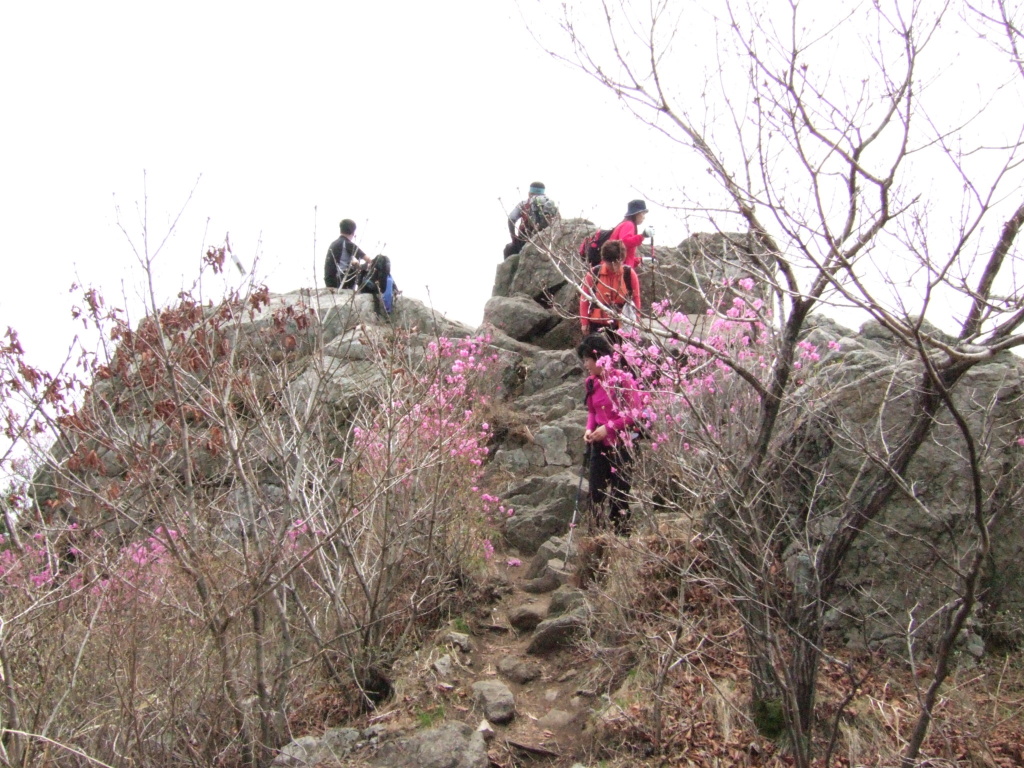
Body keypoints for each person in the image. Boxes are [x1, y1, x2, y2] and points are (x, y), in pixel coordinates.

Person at [579, 333, 638, 535]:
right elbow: (592, 412)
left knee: (619, 497)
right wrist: (589, 429)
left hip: (623, 446)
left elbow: (632, 415)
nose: (586, 364)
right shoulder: (591, 383)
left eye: (587, 359)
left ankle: (622, 540)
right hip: (599, 447)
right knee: (595, 495)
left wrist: (608, 428)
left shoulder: (623, 381)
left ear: (598, 357)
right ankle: (595, 542)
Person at [579, 239, 641, 335]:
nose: (614, 267)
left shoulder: (629, 274)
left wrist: (636, 321)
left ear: (622, 259)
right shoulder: (593, 273)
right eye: (610, 264)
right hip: (597, 324)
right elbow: (584, 299)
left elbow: (636, 298)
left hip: (621, 326)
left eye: (617, 263)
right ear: (604, 260)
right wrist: (584, 322)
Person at [504, 181, 559, 259]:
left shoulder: (524, 204)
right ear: (543, 193)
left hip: (525, 239)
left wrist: (514, 237)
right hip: (547, 240)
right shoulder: (549, 204)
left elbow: (511, 218)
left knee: (508, 249)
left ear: (529, 193)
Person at [324, 218, 371, 289]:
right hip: (339, 281)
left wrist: (356, 264)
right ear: (353, 232)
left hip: (329, 281)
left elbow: (345, 260)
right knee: (364, 269)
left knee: (357, 267)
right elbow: (369, 260)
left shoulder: (334, 243)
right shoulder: (348, 244)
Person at [609, 199, 653, 270]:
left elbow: (627, 258)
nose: (644, 217)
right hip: (617, 272)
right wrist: (643, 236)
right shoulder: (629, 224)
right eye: (643, 214)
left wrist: (641, 260)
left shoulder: (623, 224)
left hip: (616, 268)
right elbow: (624, 242)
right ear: (636, 213)